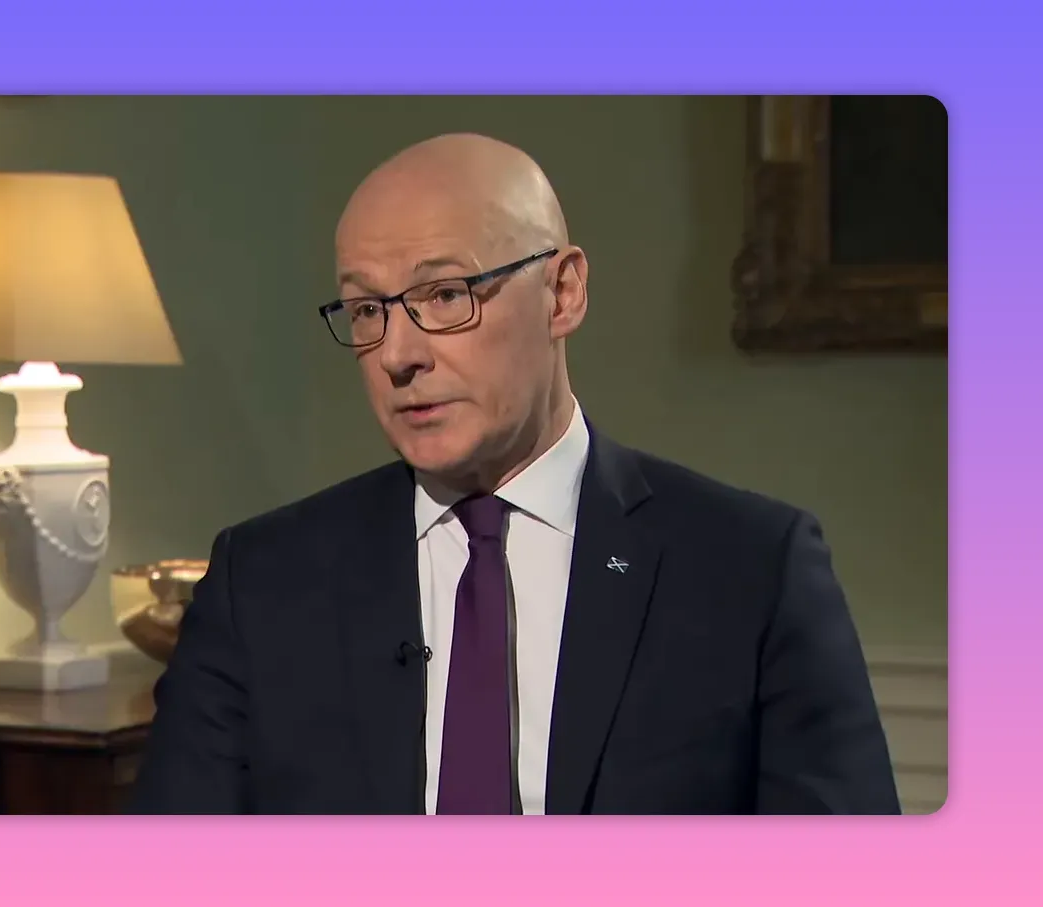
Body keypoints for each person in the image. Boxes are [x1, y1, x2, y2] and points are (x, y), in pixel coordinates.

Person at [129, 133, 901, 814]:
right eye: (367, 311)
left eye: (444, 294)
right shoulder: (263, 580)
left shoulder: (751, 570)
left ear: (562, 293)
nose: (398, 354)